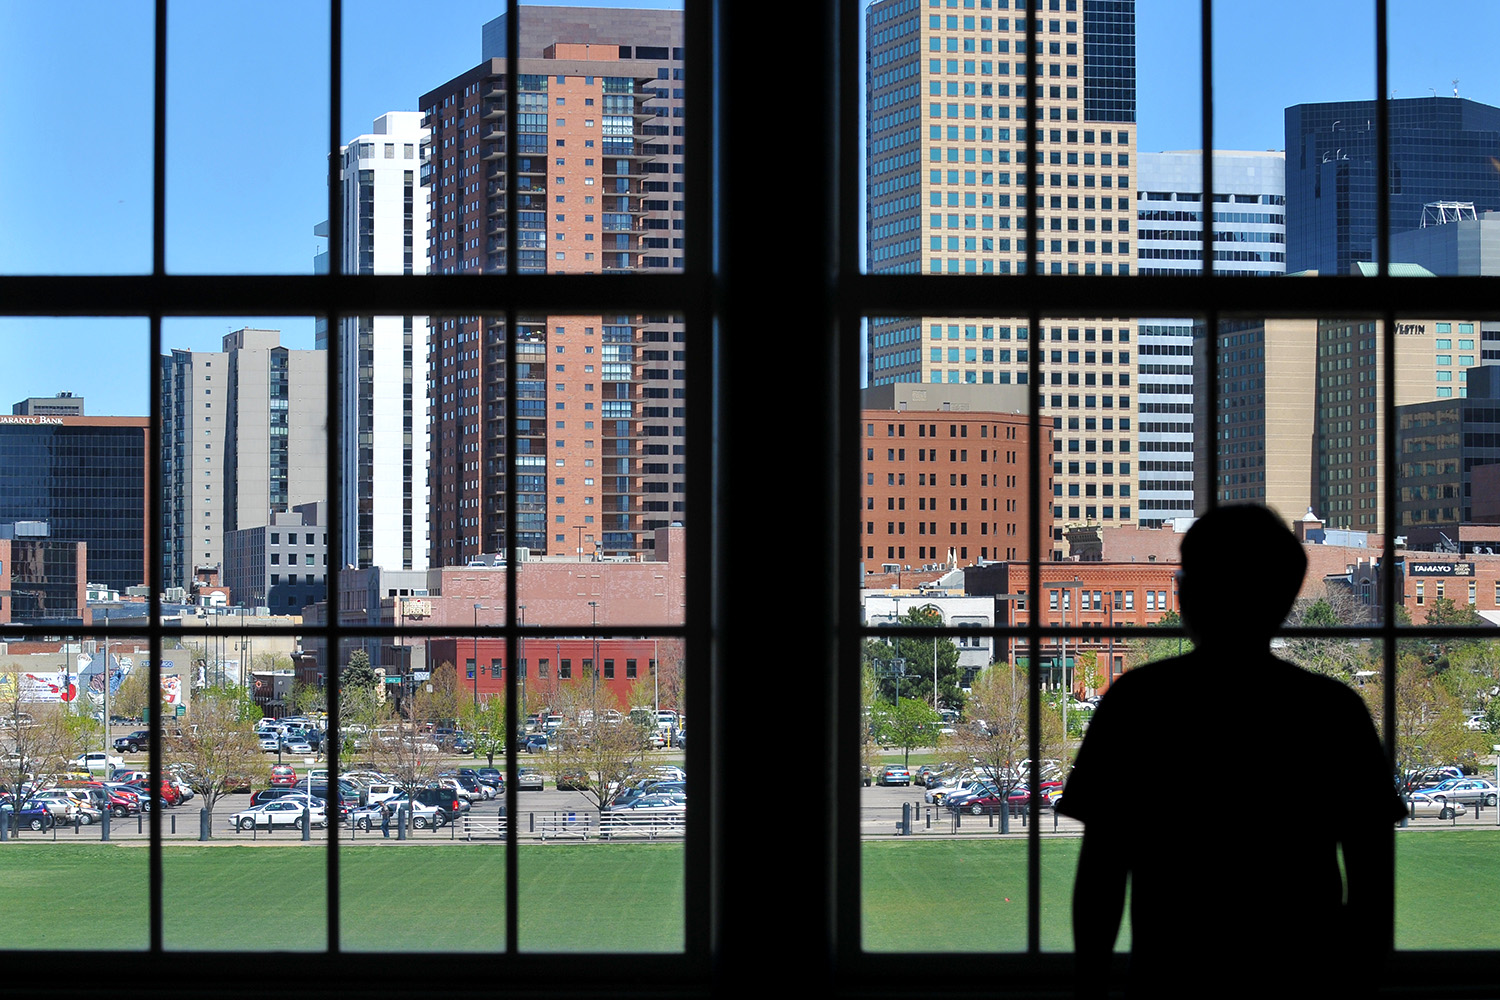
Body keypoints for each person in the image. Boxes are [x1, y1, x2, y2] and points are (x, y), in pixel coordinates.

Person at [1057, 504, 1405, 999]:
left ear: (1191, 594)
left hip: (1171, 981)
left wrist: (1090, 992)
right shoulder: (1333, 713)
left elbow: (1102, 876)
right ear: (1284, 598)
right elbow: (1372, 888)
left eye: (1190, 577)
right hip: (1303, 983)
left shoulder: (1138, 705)